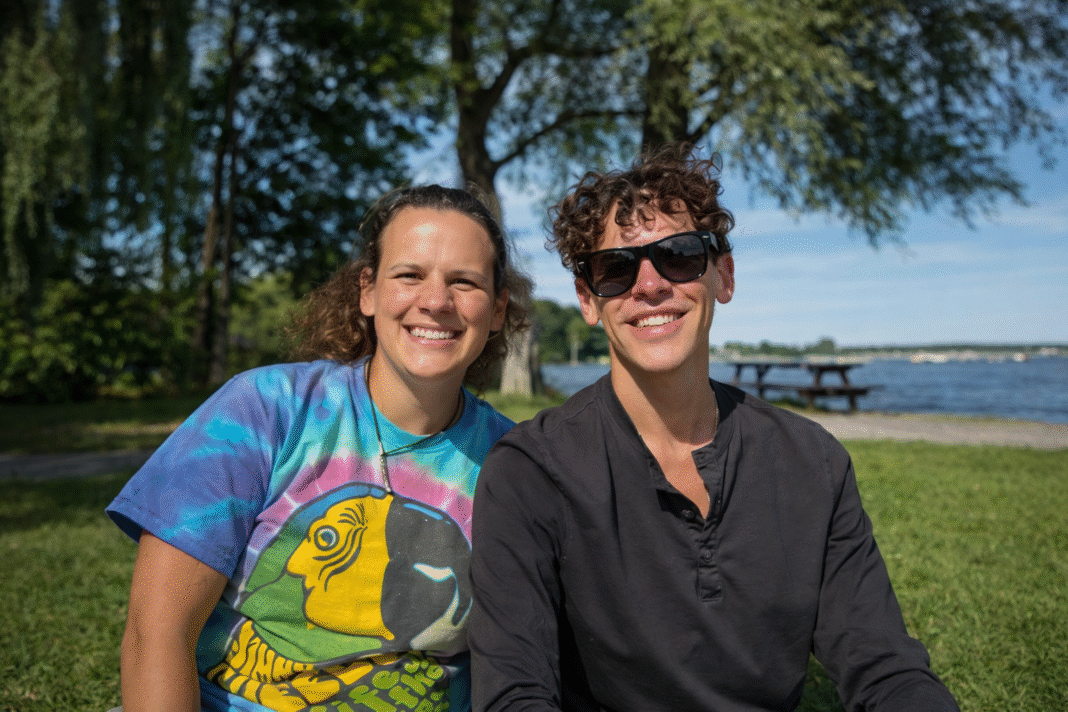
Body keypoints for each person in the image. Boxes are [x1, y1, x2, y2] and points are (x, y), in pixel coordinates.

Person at [468, 144, 960, 711]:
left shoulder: (811, 462)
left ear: (722, 275)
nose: (649, 285)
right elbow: (514, 695)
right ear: (587, 299)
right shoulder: (531, 470)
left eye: (677, 255)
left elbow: (885, 669)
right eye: (616, 269)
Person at [107, 184, 529, 712]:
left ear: (496, 309)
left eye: (464, 282)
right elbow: (157, 631)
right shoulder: (263, 410)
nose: (436, 301)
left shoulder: (517, 462)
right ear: (368, 292)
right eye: (409, 275)